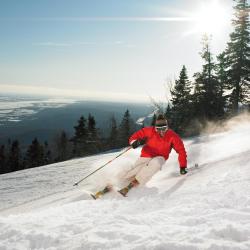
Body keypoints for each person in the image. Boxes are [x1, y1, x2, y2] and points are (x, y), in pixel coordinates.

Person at [91, 114, 187, 199]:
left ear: (167, 127)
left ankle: (135, 183)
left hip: (160, 157)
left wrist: (183, 166)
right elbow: (133, 137)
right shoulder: (149, 131)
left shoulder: (173, 136)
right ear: (155, 127)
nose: (161, 131)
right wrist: (135, 142)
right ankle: (112, 184)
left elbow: (181, 151)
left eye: (164, 129)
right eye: (159, 129)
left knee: (156, 163)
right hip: (146, 155)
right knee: (134, 171)